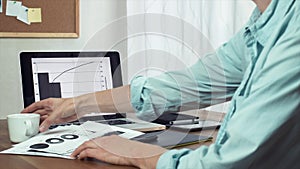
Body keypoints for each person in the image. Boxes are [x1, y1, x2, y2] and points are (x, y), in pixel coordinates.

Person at [22, 0, 300, 168]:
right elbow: (184, 85)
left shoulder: (293, 31)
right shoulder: (266, 21)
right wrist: (79, 104)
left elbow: (226, 163)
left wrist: (141, 154)